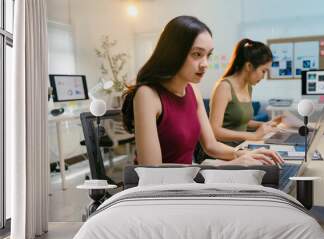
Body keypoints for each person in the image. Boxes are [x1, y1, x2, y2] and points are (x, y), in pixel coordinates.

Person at [121, 16, 283, 166]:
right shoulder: (147, 95)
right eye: (197, 54)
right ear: (173, 53)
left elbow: (211, 145)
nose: (205, 63)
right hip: (161, 192)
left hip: (187, 182)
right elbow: (152, 172)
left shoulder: (192, 89)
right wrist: (231, 166)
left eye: (208, 55)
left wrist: (244, 154)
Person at [209, 39, 283, 146]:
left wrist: (266, 125)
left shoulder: (248, 87)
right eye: (263, 71)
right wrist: (253, 136)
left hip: (241, 146)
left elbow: (243, 122)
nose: (263, 76)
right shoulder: (224, 87)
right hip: (222, 150)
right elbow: (215, 131)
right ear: (249, 66)